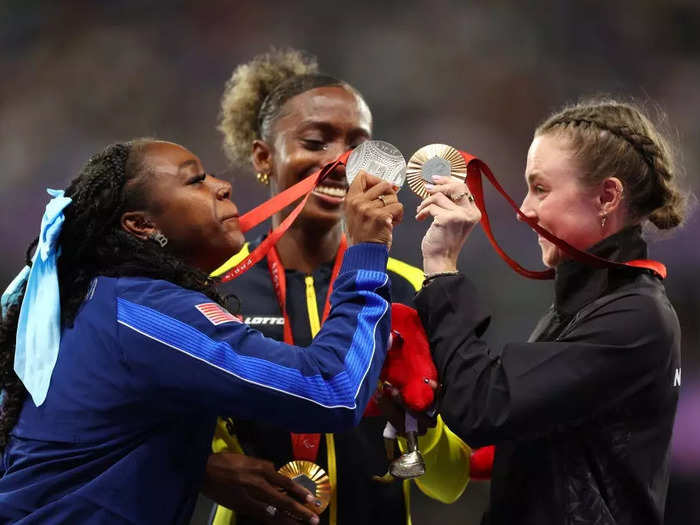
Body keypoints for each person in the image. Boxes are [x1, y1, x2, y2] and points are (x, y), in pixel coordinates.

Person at [0, 138, 404, 524]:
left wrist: (200, 465)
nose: (223, 186)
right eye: (196, 180)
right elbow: (331, 389)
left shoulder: (89, 300)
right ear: (141, 224)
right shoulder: (144, 312)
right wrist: (366, 251)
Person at [204, 49, 470, 525]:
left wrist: (418, 423)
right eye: (315, 141)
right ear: (263, 156)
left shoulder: (409, 290)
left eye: (358, 146)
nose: (341, 161)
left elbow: (449, 484)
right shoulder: (216, 290)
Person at [413, 98, 685, 524]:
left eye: (540, 188)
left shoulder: (634, 317)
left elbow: (483, 407)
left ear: (607, 197)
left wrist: (443, 269)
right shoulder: (589, 308)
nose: (524, 210)